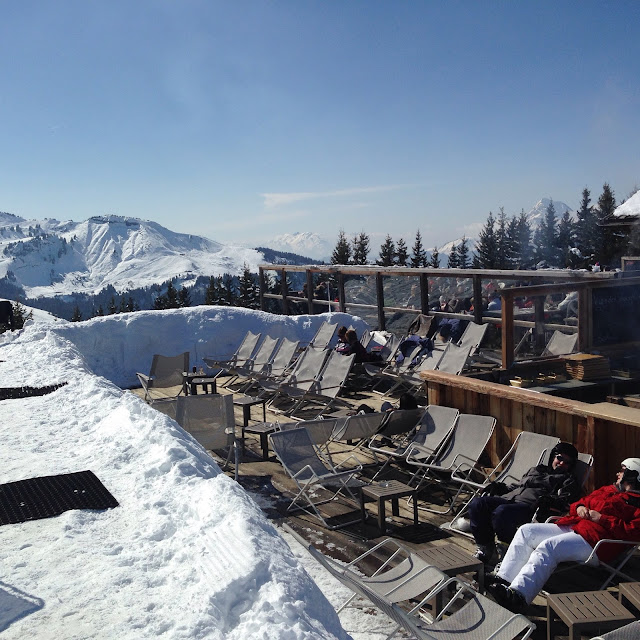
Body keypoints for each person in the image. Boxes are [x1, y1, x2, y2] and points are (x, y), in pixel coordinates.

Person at [490, 458, 640, 611]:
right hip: (575, 526)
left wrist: (602, 519)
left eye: (622, 470)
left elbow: (633, 533)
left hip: (596, 542)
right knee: (526, 531)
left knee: (549, 547)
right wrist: (580, 507)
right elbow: (581, 501)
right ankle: (504, 580)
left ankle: (518, 596)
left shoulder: (637, 503)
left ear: (632, 474)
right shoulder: (609, 490)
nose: (618, 473)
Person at [469, 442, 580, 563]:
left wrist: (550, 501)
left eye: (567, 462)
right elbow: (518, 485)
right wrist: (501, 488)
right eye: (560, 458)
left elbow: (565, 499)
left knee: (502, 513)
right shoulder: (537, 470)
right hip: (509, 498)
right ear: (553, 457)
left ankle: (507, 552)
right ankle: (486, 549)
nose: (562, 463)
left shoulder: (567, 480)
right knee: (478, 504)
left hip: (530, 507)